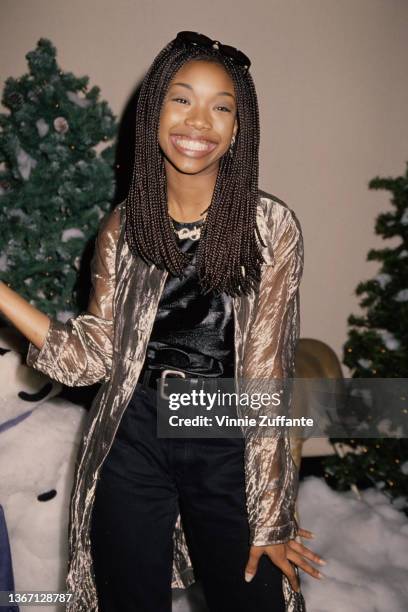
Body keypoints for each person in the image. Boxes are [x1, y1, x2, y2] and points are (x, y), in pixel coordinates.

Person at [0, 31, 325, 612]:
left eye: (221, 106)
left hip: (227, 432)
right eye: (182, 99)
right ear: (153, 112)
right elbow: (90, 359)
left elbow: (267, 376)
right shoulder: (123, 227)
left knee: (254, 596)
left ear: (238, 127)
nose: (199, 121)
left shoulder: (272, 227)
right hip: (133, 434)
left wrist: (272, 511)